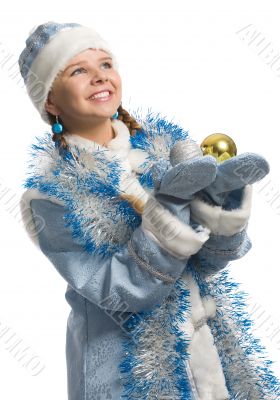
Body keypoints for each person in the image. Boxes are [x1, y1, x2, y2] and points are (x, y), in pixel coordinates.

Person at [18, 21, 280, 400]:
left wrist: (218, 208)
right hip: (124, 374)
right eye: (78, 70)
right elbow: (115, 290)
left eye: (106, 64)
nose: (99, 77)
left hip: (205, 352)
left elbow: (205, 263)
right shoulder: (49, 197)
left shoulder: (165, 151)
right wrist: (168, 209)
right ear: (51, 101)